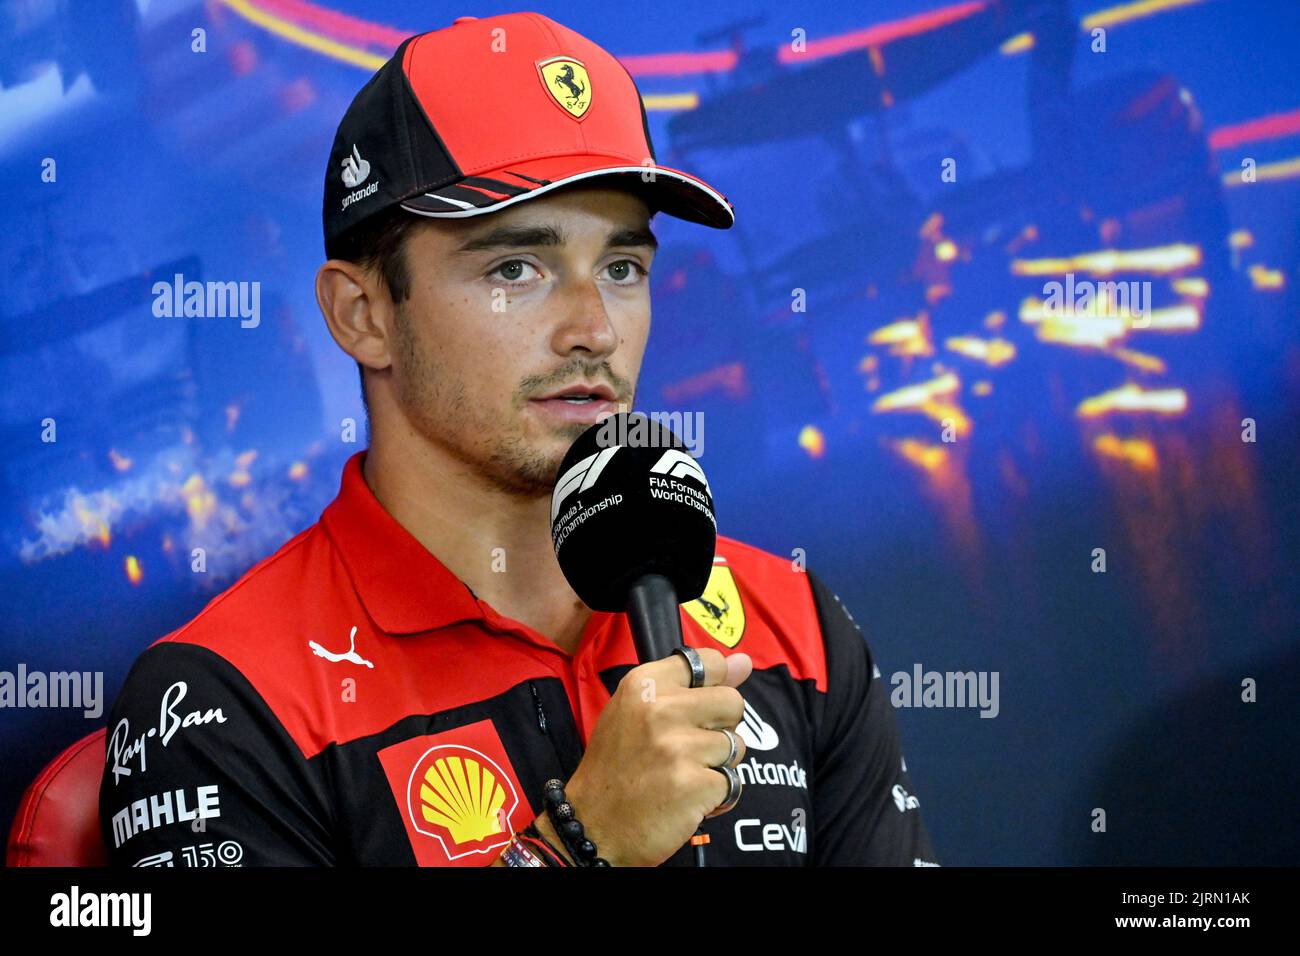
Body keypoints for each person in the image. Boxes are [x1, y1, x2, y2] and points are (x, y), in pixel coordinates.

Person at [99, 12, 937, 868]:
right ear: (364, 315)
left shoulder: (790, 623)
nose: (595, 329)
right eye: (515, 270)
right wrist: (579, 848)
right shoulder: (223, 702)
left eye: (622, 268)